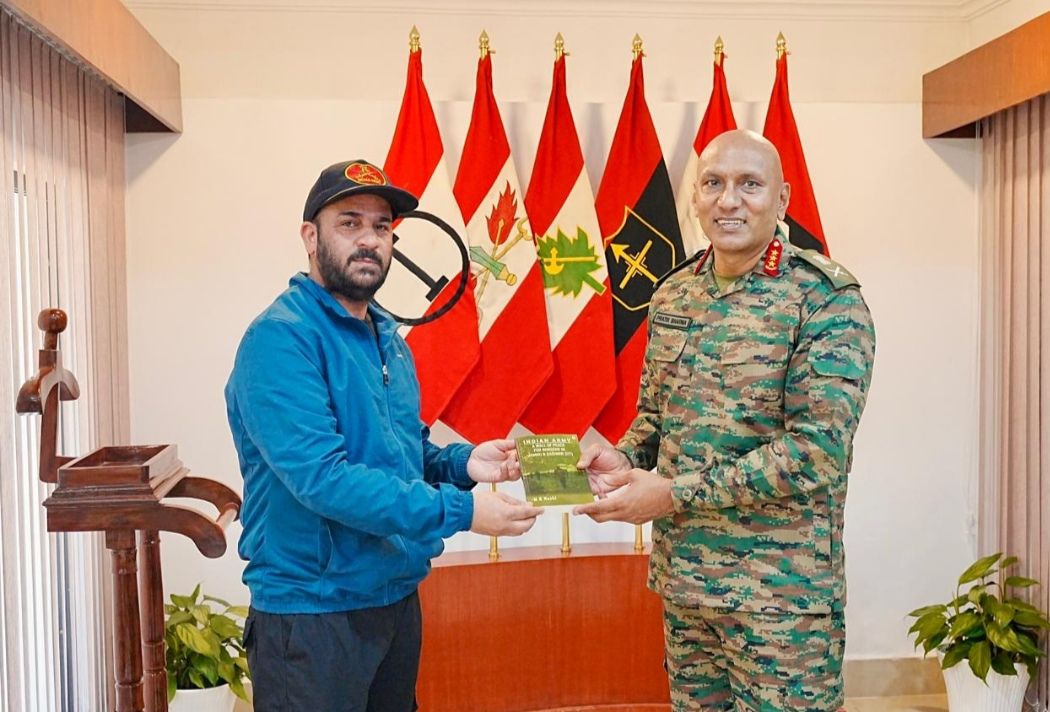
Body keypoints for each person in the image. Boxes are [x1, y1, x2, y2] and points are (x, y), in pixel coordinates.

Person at [224, 159, 543, 712]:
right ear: (310, 236)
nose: (369, 240)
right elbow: (324, 481)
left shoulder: (386, 336)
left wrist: (468, 463)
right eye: (349, 223)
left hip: (392, 598)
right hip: (312, 616)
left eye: (381, 227)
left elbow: (404, 452)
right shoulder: (281, 340)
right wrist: (463, 513)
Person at [574, 130, 876, 711]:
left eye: (749, 185)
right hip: (687, 586)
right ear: (695, 197)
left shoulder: (825, 299)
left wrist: (672, 494)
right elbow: (657, 418)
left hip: (781, 598)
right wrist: (624, 456)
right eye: (713, 183)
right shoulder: (674, 294)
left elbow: (815, 452)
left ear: (782, 198)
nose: (728, 200)